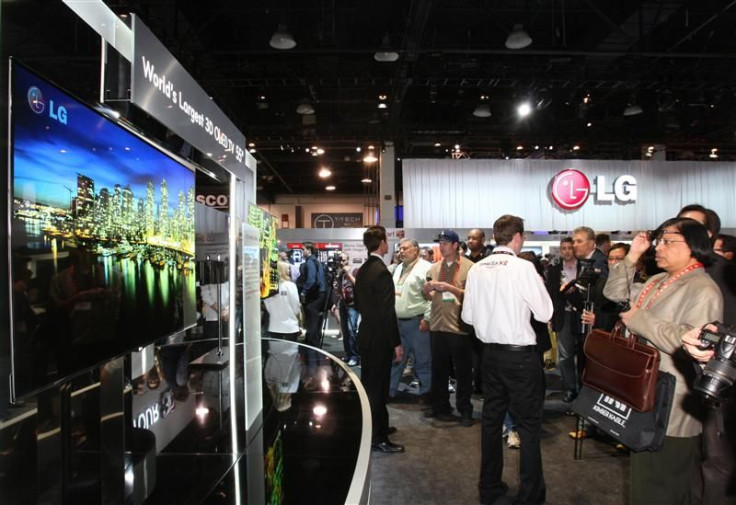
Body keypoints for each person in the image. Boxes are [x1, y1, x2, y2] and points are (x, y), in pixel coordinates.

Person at [604, 217, 723, 505]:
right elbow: (614, 294)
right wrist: (632, 256)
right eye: (659, 241)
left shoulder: (703, 289)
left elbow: (690, 343)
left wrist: (638, 319)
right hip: (645, 395)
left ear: (694, 246)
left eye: (669, 242)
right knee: (644, 480)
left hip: (672, 407)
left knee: (664, 483)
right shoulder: (659, 280)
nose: (659, 247)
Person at [462, 215, 553, 505]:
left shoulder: (477, 268)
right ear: (518, 237)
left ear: (494, 236)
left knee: (491, 421)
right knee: (528, 426)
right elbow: (545, 314)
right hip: (520, 358)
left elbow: (468, 317)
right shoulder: (524, 267)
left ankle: (489, 487)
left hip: (490, 355)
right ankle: (530, 495)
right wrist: (539, 284)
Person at [677, 204, 736, 505]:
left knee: (716, 463)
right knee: (688, 457)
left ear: (709, 235)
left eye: (690, 226)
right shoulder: (673, 274)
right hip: (679, 382)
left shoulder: (725, 274)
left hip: (719, 387)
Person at [354, 226, 405, 454]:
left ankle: (378, 426)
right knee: (377, 388)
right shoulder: (381, 271)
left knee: (372, 385)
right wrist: (396, 342)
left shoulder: (364, 269)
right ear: (382, 243)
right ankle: (378, 437)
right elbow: (387, 311)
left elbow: (358, 304)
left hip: (367, 334)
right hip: (380, 338)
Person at [423, 230, 474, 425]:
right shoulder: (434, 268)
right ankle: (440, 406)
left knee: (462, 372)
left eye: (445, 243)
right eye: (440, 243)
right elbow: (428, 296)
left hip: (458, 327)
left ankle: (465, 409)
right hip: (438, 325)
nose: (442, 247)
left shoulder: (470, 268)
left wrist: (451, 288)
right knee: (439, 370)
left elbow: (473, 296)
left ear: (455, 245)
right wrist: (427, 290)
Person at [389, 239, 432, 401]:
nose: (401, 252)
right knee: (396, 360)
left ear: (415, 250)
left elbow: (432, 298)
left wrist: (427, 319)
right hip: (398, 323)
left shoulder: (427, 268)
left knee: (423, 361)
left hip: (417, 322)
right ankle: (390, 392)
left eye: (405, 248)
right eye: (399, 249)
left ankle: (426, 394)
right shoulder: (399, 268)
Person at [545, 237, 579, 402]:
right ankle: (570, 388)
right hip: (562, 314)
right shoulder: (554, 268)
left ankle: (584, 388)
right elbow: (551, 293)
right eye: (563, 248)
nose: (566, 251)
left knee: (582, 354)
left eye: (569, 248)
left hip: (581, 313)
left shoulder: (584, 267)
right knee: (565, 355)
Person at [466, 228, 492, 394]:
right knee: (473, 352)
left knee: (486, 352)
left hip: (488, 311)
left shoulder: (490, 258)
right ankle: (477, 384)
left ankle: (485, 385)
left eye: (474, 238)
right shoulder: (465, 260)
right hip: (470, 311)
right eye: (468, 238)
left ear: (482, 239)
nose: (470, 241)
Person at [297, 243, 326, 348]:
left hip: (316, 295)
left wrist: (303, 291)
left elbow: (311, 279)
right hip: (320, 294)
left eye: (303, 249)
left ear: (309, 250)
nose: (302, 251)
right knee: (313, 317)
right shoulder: (315, 261)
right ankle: (312, 340)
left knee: (312, 318)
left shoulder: (310, 262)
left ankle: (312, 344)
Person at [263, 261, 301, 341]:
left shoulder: (269, 287)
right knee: (290, 351)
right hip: (290, 326)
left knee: (276, 351)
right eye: (288, 269)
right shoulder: (290, 286)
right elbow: (296, 305)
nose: (289, 271)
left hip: (274, 325)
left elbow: (267, 305)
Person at [336, 252, 360, 366]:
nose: (342, 262)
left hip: (353, 305)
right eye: (340, 260)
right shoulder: (340, 274)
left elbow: (359, 285)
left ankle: (355, 356)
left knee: (351, 330)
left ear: (348, 260)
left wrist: (348, 273)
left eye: (343, 260)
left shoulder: (354, 270)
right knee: (345, 331)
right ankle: (348, 354)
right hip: (343, 305)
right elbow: (339, 290)